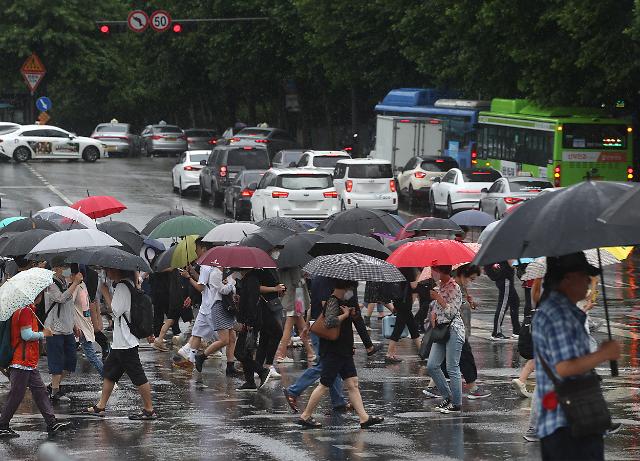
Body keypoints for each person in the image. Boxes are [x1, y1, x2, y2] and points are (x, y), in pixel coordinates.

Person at [532, 253, 620, 460]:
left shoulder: (562, 310)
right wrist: (603, 354)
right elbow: (564, 368)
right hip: (569, 424)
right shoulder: (558, 314)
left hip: (569, 421)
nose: (589, 281)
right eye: (584, 275)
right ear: (567, 279)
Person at [297, 279, 384, 429]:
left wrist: (352, 315)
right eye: (351, 289)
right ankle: (305, 416)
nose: (352, 293)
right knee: (324, 384)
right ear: (345, 288)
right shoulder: (332, 301)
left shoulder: (343, 302)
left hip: (344, 350)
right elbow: (329, 323)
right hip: (334, 351)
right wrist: (344, 315)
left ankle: (364, 417)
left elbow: (345, 326)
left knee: (352, 383)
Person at [85, 268, 157, 420]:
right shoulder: (129, 284)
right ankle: (101, 406)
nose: (107, 272)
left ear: (118, 270)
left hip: (126, 342)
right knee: (110, 374)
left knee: (138, 376)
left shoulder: (123, 286)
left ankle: (149, 409)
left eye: (109, 270)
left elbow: (116, 310)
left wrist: (104, 291)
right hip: (120, 342)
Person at [0, 294, 71, 438]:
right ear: (36, 296)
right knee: (16, 395)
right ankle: (2, 425)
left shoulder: (26, 309)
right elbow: (26, 335)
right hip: (22, 361)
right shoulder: (25, 311)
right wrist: (43, 334)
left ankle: (51, 423)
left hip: (28, 361)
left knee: (41, 392)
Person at [426, 265, 465, 414]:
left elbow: (451, 312)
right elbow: (439, 309)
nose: (433, 273)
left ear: (442, 271)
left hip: (453, 330)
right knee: (432, 365)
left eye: (435, 270)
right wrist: (434, 313)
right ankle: (447, 397)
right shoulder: (440, 286)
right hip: (441, 331)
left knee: (452, 367)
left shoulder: (454, 287)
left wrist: (438, 298)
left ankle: (456, 403)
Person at [44, 256, 83, 402]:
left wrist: (74, 324)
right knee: (56, 361)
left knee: (70, 361)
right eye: (64, 266)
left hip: (67, 328)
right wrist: (75, 284)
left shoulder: (65, 283)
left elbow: (69, 305)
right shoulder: (50, 284)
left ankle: (53, 386)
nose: (67, 270)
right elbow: (61, 298)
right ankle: (55, 391)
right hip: (54, 329)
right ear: (57, 268)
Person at [192, 266, 237, 373]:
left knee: (232, 338)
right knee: (224, 340)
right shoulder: (215, 274)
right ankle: (201, 357)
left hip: (228, 308)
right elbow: (223, 290)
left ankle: (230, 366)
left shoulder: (228, 273)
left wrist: (230, 283)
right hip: (219, 307)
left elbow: (232, 290)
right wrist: (232, 282)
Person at [275, 267, 315, 364]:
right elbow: (297, 282)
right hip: (296, 297)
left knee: (301, 326)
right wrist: (303, 277)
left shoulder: (281, 265)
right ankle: (281, 354)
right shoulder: (294, 265)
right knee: (289, 327)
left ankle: (310, 353)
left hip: (291, 296)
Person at [72, 266, 103, 377]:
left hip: (81, 326)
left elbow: (68, 302)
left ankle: (108, 378)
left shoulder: (76, 287)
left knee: (91, 356)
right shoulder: (84, 286)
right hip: (85, 324)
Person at [385, 268, 421, 363]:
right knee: (398, 328)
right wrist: (418, 277)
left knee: (412, 326)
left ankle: (422, 352)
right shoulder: (409, 270)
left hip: (398, 301)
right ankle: (389, 354)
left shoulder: (396, 268)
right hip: (405, 302)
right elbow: (414, 286)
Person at [488, 261, 520, 340]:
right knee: (503, 305)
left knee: (515, 302)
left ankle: (517, 331)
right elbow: (511, 263)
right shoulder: (507, 250)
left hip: (506, 278)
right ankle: (496, 332)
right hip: (505, 279)